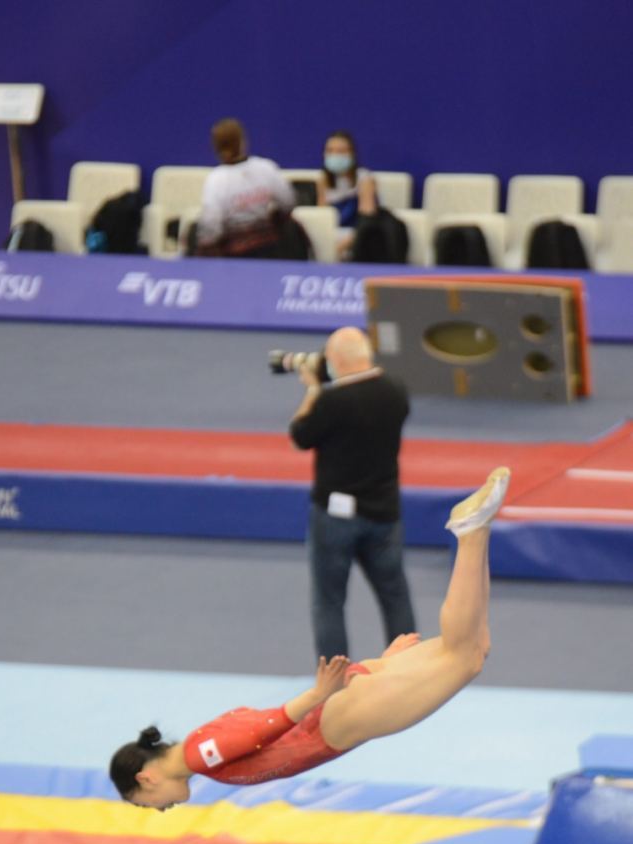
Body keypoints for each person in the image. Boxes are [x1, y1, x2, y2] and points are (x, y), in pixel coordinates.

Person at [109, 466, 510, 808]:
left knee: (462, 657)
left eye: (147, 806)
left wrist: (318, 695)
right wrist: (382, 666)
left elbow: (258, 728)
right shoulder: (200, 746)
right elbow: (259, 729)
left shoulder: (198, 756)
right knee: (474, 651)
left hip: (337, 722)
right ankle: (480, 529)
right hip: (337, 712)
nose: (159, 810)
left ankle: (470, 532)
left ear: (145, 780)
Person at [289, 326, 415, 661]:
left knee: (329, 601)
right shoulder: (396, 391)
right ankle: (406, 671)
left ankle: (334, 685)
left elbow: (300, 434)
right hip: (385, 515)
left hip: (335, 519)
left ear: (334, 361)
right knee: (395, 596)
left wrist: (314, 390)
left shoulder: (332, 401)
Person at [196, 118, 297, 258]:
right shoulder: (266, 168)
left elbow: (211, 228)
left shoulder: (216, 180)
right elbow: (288, 202)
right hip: (269, 250)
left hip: (233, 256)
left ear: (216, 147)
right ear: (243, 142)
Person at [317, 130, 377, 259]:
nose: (335, 156)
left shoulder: (364, 179)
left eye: (341, 151)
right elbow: (322, 218)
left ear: (352, 154)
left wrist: (343, 245)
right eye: (330, 151)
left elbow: (366, 221)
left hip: (358, 239)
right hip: (332, 238)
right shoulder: (322, 180)